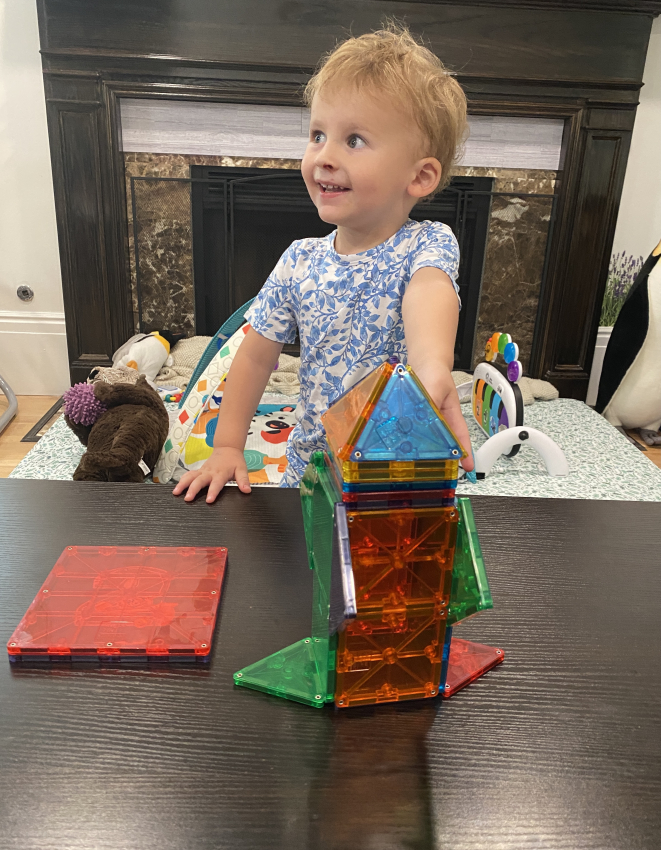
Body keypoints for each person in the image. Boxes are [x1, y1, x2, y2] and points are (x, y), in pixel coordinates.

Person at [174, 22, 473, 503]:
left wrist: (432, 369)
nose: (324, 156)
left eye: (354, 140)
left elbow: (431, 292)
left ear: (420, 176)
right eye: (317, 134)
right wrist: (228, 446)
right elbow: (253, 357)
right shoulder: (299, 259)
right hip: (312, 473)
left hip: (398, 471)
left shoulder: (427, 244)